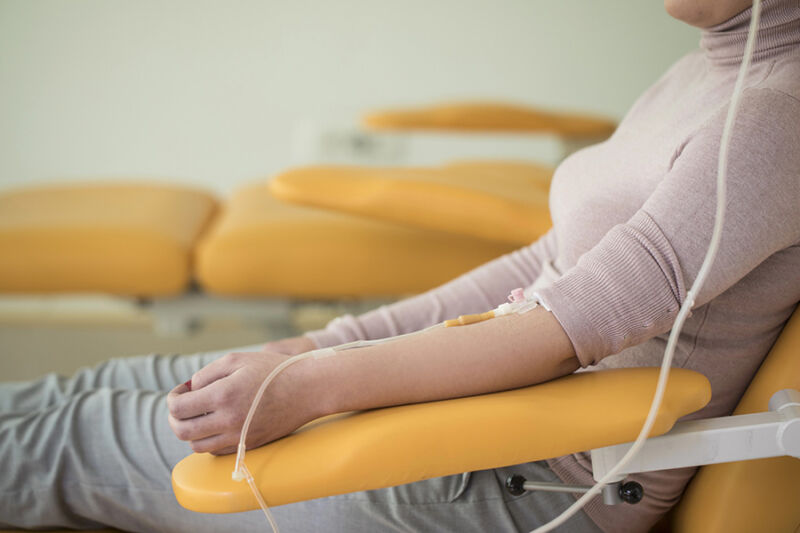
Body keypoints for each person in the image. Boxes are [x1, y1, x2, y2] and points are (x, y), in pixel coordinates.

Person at [2, 0, 798, 532]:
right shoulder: (708, 67)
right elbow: (551, 262)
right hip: (491, 408)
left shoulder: (776, 112)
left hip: (534, 477)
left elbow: (567, 327)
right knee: (96, 383)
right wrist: (314, 347)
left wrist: (309, 384)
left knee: (71, 435)